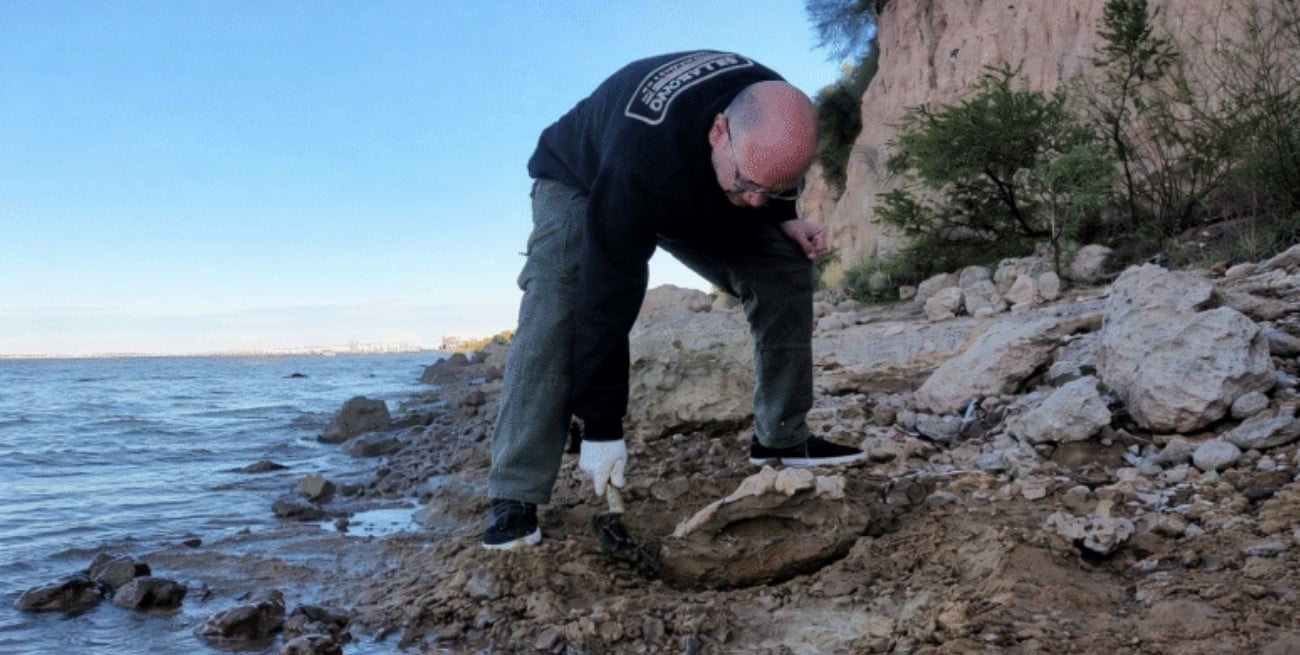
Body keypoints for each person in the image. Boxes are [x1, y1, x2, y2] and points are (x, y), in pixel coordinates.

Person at [483, 50, 866, 550]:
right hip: (580, 178)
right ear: (718, 132)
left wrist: (780, 213)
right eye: (751, 186)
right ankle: (514, 493)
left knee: (783, 266)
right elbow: (609, 291)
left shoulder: (773, 113)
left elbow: (765, 181)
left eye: (772, 189)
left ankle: (782, 435)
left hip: (699, 187)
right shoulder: (640, 155)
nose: (757, 200)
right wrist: (602, 427)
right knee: (558, 301)